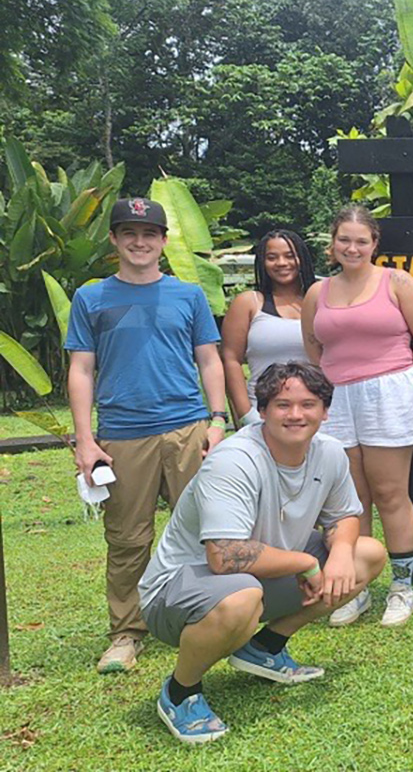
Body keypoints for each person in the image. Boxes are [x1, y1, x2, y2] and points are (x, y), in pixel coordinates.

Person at [137, 361, 385, 743]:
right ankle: (180, 691)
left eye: (308, 404)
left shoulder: (330, 453)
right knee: (242, 596)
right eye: (283, 405)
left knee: (365, 553)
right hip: (176, 592)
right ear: (263, 410)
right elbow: (224, 556)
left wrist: (338, 554)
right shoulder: (234, 460)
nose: (296, 414)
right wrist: (306, 562)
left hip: (257, 577)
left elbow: (345, 516)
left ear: (325, 411)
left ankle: (264, 648)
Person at [66, 197, 229, 674]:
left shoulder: (188, 296)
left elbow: (209, 359)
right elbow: (81, 369)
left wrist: (218, 420)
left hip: (187, 428)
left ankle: (210, 613)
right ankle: (127, 633)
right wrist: (85, 440)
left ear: (163, 241)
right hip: (122, 435)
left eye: (149, 234)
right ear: (114, 239)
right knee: (127, 538)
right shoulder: (91, 298)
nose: (140, 242)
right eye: (129, 233)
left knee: (206, 528)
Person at [301, 204, 413, 628]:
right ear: (332, 244)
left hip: (389, 394)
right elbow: (313, 346)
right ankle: (356, 586)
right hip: (337, 399)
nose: (352, 248)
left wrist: (405, 385)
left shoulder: (397, 283)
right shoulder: (318, 293)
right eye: (344, 240)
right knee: (349, 498)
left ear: (374, 244)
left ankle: (401, 586)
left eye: (361, 241)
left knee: (390, 492)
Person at [220, 229, 316, 426]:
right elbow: (230, 359)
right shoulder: (248, 303)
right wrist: (246, 413)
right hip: (263, 413)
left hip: (318, 410)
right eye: (272, 257)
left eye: (290, 256)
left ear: (303, 258)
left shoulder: (321, 301)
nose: (281, 263)